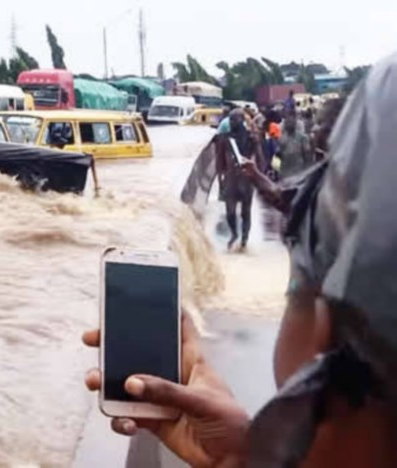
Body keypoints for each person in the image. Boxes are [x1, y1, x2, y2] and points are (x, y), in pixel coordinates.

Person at [84, 51, 397, 468]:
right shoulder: (245, 134)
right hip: (246, 184)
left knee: (243, 218)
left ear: (324, 345)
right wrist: (238, 457)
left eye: (295, 289)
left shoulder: (267, 135)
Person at [215, 108, 262, 251]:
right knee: (230, 212)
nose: (231, 121)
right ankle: (234, 234)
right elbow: (219, 162)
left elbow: (259, 159)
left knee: (245, 212)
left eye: (235, 119)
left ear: (242, 120)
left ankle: (244, 240)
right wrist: (220, 181)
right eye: (230, 119)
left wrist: (258, 177)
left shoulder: (251, 138)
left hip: (247, 180)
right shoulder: (225, 139)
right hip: (231, 180)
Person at [276, 111, 314, 180]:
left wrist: (307, 173)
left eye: (292, 120)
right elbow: (277, 156)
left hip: (299, 174)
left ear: (295, 122)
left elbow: (307, 156)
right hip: (284, 175)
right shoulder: (280, 138)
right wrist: (276, 172)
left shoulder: (303, 138)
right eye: (287, 120)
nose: (289, 122)